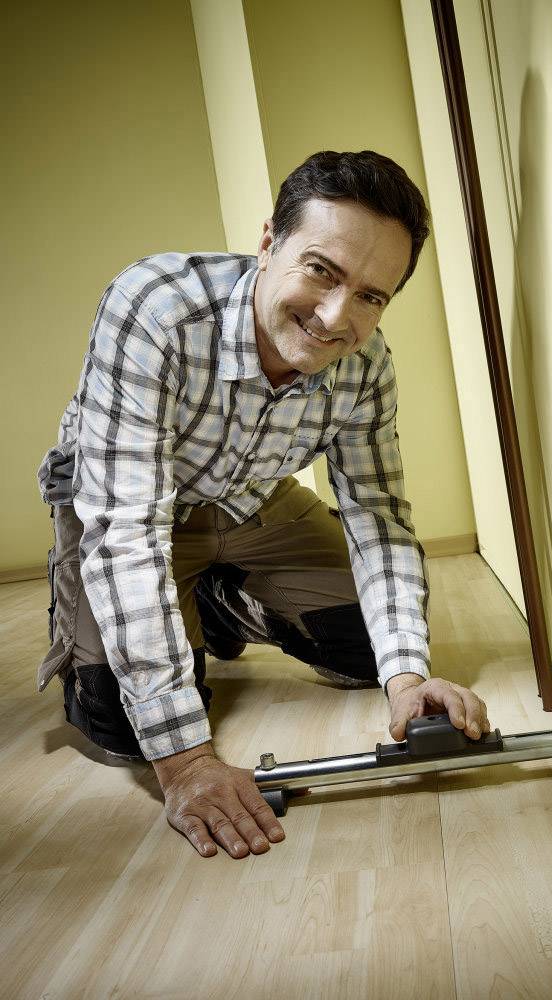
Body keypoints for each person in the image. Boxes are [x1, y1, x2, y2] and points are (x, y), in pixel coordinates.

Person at [36, 149, 491, 860]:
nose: (336, 318)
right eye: (322, 271)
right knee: (127, 730)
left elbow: (378, 518)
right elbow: (125, 530)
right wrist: (186, 762)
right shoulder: (155, 307)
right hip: (130, 508)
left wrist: (407, 678)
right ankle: (170, 608)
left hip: (254, 504)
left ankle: (221, 602)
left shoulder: (368, 367)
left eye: (371, 296)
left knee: (369, 651)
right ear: (270, 242)